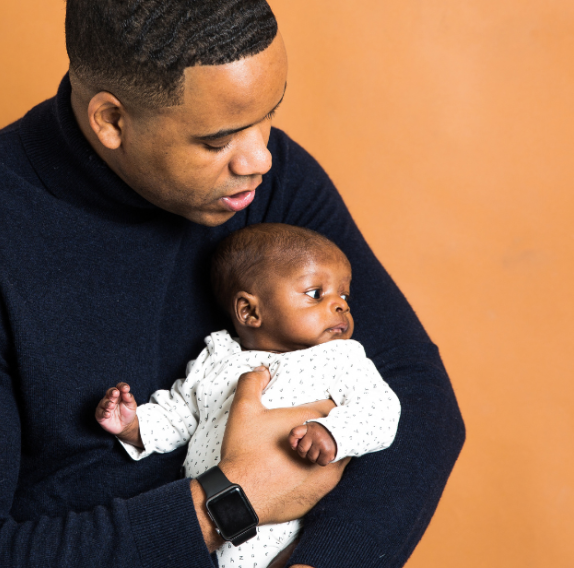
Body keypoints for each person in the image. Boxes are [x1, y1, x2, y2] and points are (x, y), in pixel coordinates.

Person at [0, 0, 464, 568]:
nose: (259, 159)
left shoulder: (273, 183)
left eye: (268, 118)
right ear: (112, 121)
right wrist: (230, 501)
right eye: (217, 141)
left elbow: (417, 396)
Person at [96, 224, 401, 568]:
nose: (340, 306)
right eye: (316, 293)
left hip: (282, 532)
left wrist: (334, 434)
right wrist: (134, 425)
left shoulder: (341, 357)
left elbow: (381, 410)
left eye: (344, 296)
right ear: (250, 311)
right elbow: (180, 413)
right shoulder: (217, 358)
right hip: (202, 529)